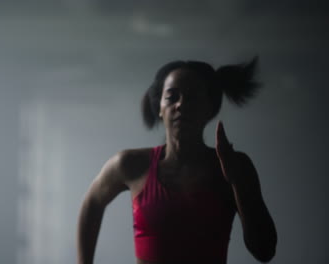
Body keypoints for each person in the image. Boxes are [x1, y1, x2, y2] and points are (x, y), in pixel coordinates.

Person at [77, 57, 277, 264]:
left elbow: (265, 251)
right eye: (172, 97)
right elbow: (92, 203)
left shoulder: (235, 167)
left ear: (210, 108)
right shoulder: (131, 164)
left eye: (192, 97)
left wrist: (238, 182)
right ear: (160, 108)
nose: (181, 104)